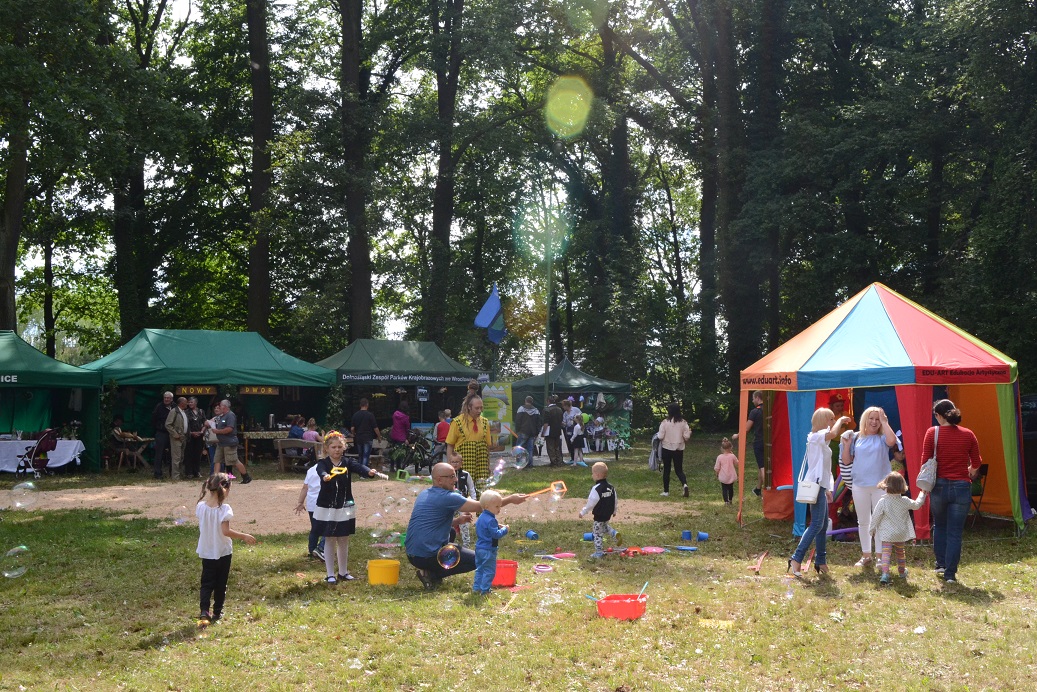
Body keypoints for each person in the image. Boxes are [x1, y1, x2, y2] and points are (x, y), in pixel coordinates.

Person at [406, 462, 526, 589]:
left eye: (455, 475)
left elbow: (432, 523)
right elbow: (483, 505)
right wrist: (511, 499)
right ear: (439, 480)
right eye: (451, 476)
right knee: (478, 559)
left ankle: (430, 568)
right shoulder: (449, 497)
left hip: (412, 554)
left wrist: (458, 520)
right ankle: (432, 574)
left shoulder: (424, 493)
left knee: (451, 532)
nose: (456, 479)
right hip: (425, 556)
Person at [313, 431, 387, 584]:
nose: (337, 450)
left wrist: (369, 472)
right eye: (333, 447)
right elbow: (320, 471)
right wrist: (325, 476)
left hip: (345, 505)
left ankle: (343, 572)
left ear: (344, 447)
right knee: (330, 538)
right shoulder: (323, 464)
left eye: (340, 447)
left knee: (343, 538)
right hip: (328, 507)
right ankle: (330, 573)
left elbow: (360, 467)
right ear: (327, 448)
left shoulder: (347, 463)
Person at [788, 407, 851, 578]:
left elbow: (822, 467)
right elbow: (832, 434)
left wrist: (827, 489)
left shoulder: (819, 440)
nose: (833, 422)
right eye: (830, 419)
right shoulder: (816, 437)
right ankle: (796, 558)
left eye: (833, 419)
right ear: (824, 421)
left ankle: (821, 560)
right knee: (817, 524)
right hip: (816, 486)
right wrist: (840, 421)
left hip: (820, 486)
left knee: (822, 525)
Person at [923, 399, 981, 584]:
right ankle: (950, 574)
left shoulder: (933, 432)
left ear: (939, 416)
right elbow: (977, 462)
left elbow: (925, 460)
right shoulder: (968, 434)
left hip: (939, 485)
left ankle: (940, 564)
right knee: (955, 532)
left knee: (940, 526)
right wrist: (970, 470)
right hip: (962, 487)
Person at [196, 472, 256, 625]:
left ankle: (204, 611)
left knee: (206, 582)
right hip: (223, 551)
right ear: (225, 489)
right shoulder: (224, 509)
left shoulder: (200, 507)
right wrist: (243, 536)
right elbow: (225, 531)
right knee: (220, 583)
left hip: (207, 551)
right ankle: (217, 611)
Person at [847, 406, 898, 568]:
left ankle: (880, 557)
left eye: (878, 419)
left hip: (880, 486)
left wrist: (885, 422)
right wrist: (846, 443)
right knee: (863, 521)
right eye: (871, 418)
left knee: (880, 521)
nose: (874, 422)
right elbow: (847, 460)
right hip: (859, 486)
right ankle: (866, 555)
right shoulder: (856, 437)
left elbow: (892, 441)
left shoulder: (883, 438)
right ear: (865, 420)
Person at [869, 471, 927, 585]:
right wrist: (922, 494)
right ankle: (901, 571)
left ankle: (885, 574)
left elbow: (875, 516)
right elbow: (917, 505)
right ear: (902, 485)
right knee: (900, 552)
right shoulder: (904, 501)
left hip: (887, 534)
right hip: (901, 533)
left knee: (886, 553)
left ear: (886, 485)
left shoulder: (883, 501)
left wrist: (872, 530)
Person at [578, 461, 621, 558]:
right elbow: (615, 499)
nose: (592, 475)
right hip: (608, 513)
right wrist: (614, 510)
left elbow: (591, 503)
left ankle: (598, 552)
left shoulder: (596, 488)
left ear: (597, 475)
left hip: (599, 514)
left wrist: (583, 512)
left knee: (597, 533)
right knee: (604, 526)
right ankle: (614, 533)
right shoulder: (611, 487)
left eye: (592, 473)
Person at [446, 394, 493, 482]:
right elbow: (450, 445)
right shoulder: (457, 422)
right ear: (469, 407)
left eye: (481, 408)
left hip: (481, 466)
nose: (479, 411)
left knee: (482, 490)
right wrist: (450, 466)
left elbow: (487, 447)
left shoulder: (485, 422)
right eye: (477, 408)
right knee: (464, 491)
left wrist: (488, 466)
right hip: (463, 466)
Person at [472, 490, 509, 595]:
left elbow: (486, 529)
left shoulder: (481, 517)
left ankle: (476, 588)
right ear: (487, 506)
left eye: (500, 506)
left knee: (480, 569)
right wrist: (505, 529)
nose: (499, 509)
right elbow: (496, 535)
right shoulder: (492, 520)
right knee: (489, 571)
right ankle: (485, 590)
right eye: (497, 507)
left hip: (479, 548)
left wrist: (496, 526)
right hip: (488, 550)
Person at [208, 400, 251, 483]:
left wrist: (218, 431)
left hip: (229, 442)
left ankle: (246, 476)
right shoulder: (222, 416)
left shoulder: (230, 415)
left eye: (220, 405)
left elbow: (229, 429)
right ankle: (215, 479)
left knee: (234, 460)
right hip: (221, 443)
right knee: (217, 460)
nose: (219, 407)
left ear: (224, 406)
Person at [732, 390, 765, 497]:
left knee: (762, 467)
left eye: (753, 398)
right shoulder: (769, 409)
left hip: (759, 442)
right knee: (762, 466)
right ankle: (758, 489)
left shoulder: (755, 412)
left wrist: (737, 435)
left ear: (757, 398)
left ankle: (769, 492)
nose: (752, 400)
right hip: (769, 442)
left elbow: (746, 429)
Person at [294, 461, 327, 561]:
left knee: (315, 528)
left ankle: (312, 549)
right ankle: (321, 548)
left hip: (312, 504)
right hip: (324, 502)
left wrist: (300, 502)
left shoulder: (311, 470)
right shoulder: (328, 470)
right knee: (330, 527)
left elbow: (305, 487)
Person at [657, 402, 691, 497]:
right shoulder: (683, 423)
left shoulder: (664, 422)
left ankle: (666, 491)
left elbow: (660, 436)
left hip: (666, 448)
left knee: (667, 470)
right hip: (679, 448)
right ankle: (685, 484)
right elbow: (687, 436)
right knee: (679, 470)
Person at [449, 452, 476, 548]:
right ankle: (447, 542)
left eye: (457, 462)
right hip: (450, 503)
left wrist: (473, 502)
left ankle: (466, 545)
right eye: (453, 462)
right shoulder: (448, 476)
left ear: (461, 463)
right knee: (449, 522)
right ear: (450, 463)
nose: (455, 464)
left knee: (464, 525)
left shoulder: (466, 475)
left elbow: (472, 489)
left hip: (462, 503)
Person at [350, 398, 381, 468]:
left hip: (359, 438)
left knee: (360, 455)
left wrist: (354, 434)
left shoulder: (355, 415)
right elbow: (375, 428)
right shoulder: (370, 415)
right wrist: (379, 437)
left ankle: (360, 470)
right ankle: (364, 472)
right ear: (367, 405)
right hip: (368, 437)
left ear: (360, 405)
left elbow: (352, 428)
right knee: (366, 456)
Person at [165, 396, 189, 481]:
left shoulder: (184, 412)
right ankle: (175, 477)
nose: (187, 403)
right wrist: (175, 434)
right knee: (176, 458)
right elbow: (168, 424)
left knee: (181, 457)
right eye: (186, 402)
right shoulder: (174, 411)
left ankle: (180, 474)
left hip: (183, 437)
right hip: (176, 438)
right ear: (181, 403)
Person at [151, 391, 174, 480]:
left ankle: (173, 473)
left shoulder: (175, 407)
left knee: (173, 454)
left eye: (168, 398)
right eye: (165, 397)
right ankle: (157, 473)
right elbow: (153, 419)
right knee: (159, 454)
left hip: (172, 433)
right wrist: (158, 427)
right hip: (161, 433)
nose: (166, 399)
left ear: (171, 399)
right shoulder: (159, 407)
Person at [513, 396, 541, 469]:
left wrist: (517, 430)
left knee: (519, 449)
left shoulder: (521, 409)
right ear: (532, 402)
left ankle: (519, 464)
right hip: (532, 433)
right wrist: (536, 433)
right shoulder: (536, 410)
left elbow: (518, 421)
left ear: (525, 401)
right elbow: (538, 423)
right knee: (530, 449)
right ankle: (530, 465)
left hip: (523, 431)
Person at [185, 397, 207, 479]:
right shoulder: (186, 412)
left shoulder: (201, 411)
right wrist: (191, 433)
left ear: (196, 403)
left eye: (191, 402)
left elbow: (205, 422)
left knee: (198, 454)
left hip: (199, 435)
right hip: (190, 435)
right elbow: (185, 424)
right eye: (189, 402)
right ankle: (189, 472)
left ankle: (197, 471)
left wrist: (202, 431)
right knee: (189, 453)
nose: (190, 404)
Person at [715, 437, 739, 505]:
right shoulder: (732, 456)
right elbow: (737, 463)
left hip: (723, 476)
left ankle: (726, 501)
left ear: (722, 448)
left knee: (724, 489)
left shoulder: (719, 457)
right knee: (731, 488)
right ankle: (730, 499)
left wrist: (717, 473)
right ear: (731, 447)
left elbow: (717, 467)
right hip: (731, 475)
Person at [542, 395, 564, 467]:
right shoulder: (559, 409)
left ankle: (553, 462)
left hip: (549, 431)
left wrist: (543, 433)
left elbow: (546, 423)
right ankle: (559, 461)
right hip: (558, 430)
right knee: (557, 447)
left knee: (550, 447)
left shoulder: (547, 410)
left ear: (548, 401)